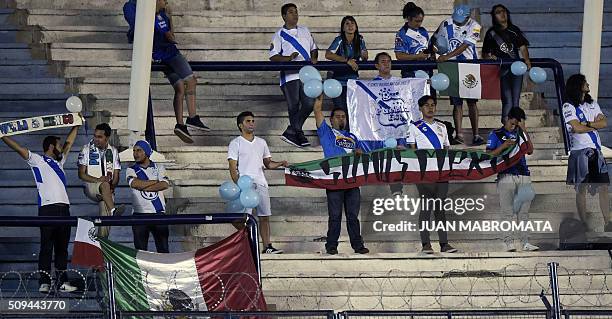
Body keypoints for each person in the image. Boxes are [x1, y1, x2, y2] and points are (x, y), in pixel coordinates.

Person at [1, 125, 81, 293]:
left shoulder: (60, 162)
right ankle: (44, 282)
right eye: (58, 146)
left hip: (64, 209)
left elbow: (69, 142)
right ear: (51, 147)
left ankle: (62, 282)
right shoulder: (37, 160)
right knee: (46, 247)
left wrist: (77, 124)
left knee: (62, 249)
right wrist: (2, 136)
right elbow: (19, 148)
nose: (61, 148)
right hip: (47, 209)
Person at [123, 0, 210, 144]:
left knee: (180, 88)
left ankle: (180, 125)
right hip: (164, 53)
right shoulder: (138, 9)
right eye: (164, 0)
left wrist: (170, 18)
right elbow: (140, 28)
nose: (166, 2)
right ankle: (193, 117)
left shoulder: (162, 15)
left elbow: (171, 36)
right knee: (191, 80)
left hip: (165, 52)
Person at [313, 94, 369, 255]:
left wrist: (360, 152)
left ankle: (358, 246)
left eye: (343, 116)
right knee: (335, 216)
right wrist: (319, 95)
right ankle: (331, 246)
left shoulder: (353, 137)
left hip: (352, 180)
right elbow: (317, 110)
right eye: (337, 117)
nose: (341, 119)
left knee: (353, 216)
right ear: (331, 120)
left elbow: (362, 156)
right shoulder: (326, 132)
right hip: (334, 180)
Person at [228, 112, 289, 253]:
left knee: (264, 216)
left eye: (253, 121)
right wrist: (240, 186)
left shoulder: (262, 142)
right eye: (248, 121)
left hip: (261, 183)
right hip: (246, 185)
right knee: (245, 218)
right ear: (240, 125)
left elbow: (268, 163)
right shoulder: (235, 143)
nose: (251, 123)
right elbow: (232, 167)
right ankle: (247, 246)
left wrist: (280, 163)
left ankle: (267, 246)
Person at [406, 95, 458, 254]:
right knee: (426, 208)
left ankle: (444, 244)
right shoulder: (414, 127)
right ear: (421, 108)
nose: (430, 108)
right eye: (427, 105)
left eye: (433, 105)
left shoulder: (442, 127)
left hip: (441, 174)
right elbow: (412, 151)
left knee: (440, 209)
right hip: (424, 174)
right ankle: (426, 244)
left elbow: (447, 150)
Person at [562, 74, 611, 232]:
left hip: (596, 151)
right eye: (585, 82)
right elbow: (576, 128)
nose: (588, 84)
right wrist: (593, 125)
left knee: (603, 186)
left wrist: (588, 123)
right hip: (579, 152)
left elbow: (604, 122)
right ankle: (583, 223)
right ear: (578, 86)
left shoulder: (592, 103)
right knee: (581, 188)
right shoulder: (568, 106)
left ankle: (608, 222)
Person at [486, 107, 539, 251]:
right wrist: (503, 146)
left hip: (523, 175)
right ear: (507, 119)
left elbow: (530, 150)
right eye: (513, 122)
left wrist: (524, 130)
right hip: (506, 175)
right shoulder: (495, 134)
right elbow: (489, 155)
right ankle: (508, 242)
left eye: (518, 123)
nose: (514, 126)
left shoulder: (520, 134)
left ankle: (525, 242)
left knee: (524, 212)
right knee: (507, 211)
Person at [269, 3, 318, 147]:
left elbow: (314, 48)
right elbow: (273, 56)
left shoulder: (305, 30)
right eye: (291, 12)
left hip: (307, 74)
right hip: (290, 76)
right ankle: (298, 134)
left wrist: (314, 58)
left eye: (296, 12)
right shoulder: (279, 34)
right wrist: (288, 58)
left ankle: (292, 130)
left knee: (309, 103)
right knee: (294, 105)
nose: (295, 15)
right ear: (284, 16)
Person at [434, 4, 483, 146]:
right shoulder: (446, 23)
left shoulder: (475, 25)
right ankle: (459, 134)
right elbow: (435, 39)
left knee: (472, 102)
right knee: (457, 103)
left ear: (468, 17)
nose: (457, 21)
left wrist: (446, 56)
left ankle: (476, 134)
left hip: (469, 65)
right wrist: (435, 51)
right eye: (456, 18)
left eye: (461, 19)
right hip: (451, 67)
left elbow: (465, 46)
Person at [482, 4, 532, 124]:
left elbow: (523, 47)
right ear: (494, 16)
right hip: (501, 70)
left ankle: (517, 125)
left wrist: (527, 59)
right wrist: (490, 57)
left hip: (516, 69)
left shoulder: (514, 30)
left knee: (515, 100)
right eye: (498, 12)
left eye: (503, 11)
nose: (502, 14)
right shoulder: (491, 33)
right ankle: (506, 125)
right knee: (507, 99)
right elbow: (484, 53)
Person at [77, 123, 124, 237]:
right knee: (104, 186)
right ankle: (114, 210)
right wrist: (98, 180)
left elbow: (116, 175)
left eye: (99, 137)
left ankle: (102, 243)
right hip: (91, 186)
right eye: (95, 136)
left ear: (107, 138)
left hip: (106, 190)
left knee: (105, 219)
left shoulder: (113, 151)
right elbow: (81, 174)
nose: (96, 139)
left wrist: (112, 187)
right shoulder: (86, 149)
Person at [127, 140, 171, 253]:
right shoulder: (131, 169)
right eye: (134, 151)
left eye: (139, 150)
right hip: (139, 215)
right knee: (141, 253)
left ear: (146, 152)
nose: (135, 153)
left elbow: (164, 184)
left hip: (158, 213)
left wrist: (144, 186)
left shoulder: (159, 167)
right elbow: (135, 184)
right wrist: (155, 182)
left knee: (163, 251)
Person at [325, 15, 368, 129]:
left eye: (352, 23)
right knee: (341, 111)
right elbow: (328, 54)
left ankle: (351, 136)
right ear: (343, 28)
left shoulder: (360, 39)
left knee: (352, 111)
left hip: (353, 82)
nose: (350, 26)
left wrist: (364, 55)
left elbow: (365, 57)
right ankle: (341, 136)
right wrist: (346, 61)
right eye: (347, 24)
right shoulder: (339, 40)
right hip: (338, 82)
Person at [394, 2, 434, 78]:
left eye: (421, 21)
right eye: (416, 21)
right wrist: (417, 56)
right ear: (409, 18)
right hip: (410, 72)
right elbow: (399, 56)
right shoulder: (402, 34)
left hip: (426, 69)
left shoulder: (423, 31)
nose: (419, 24)